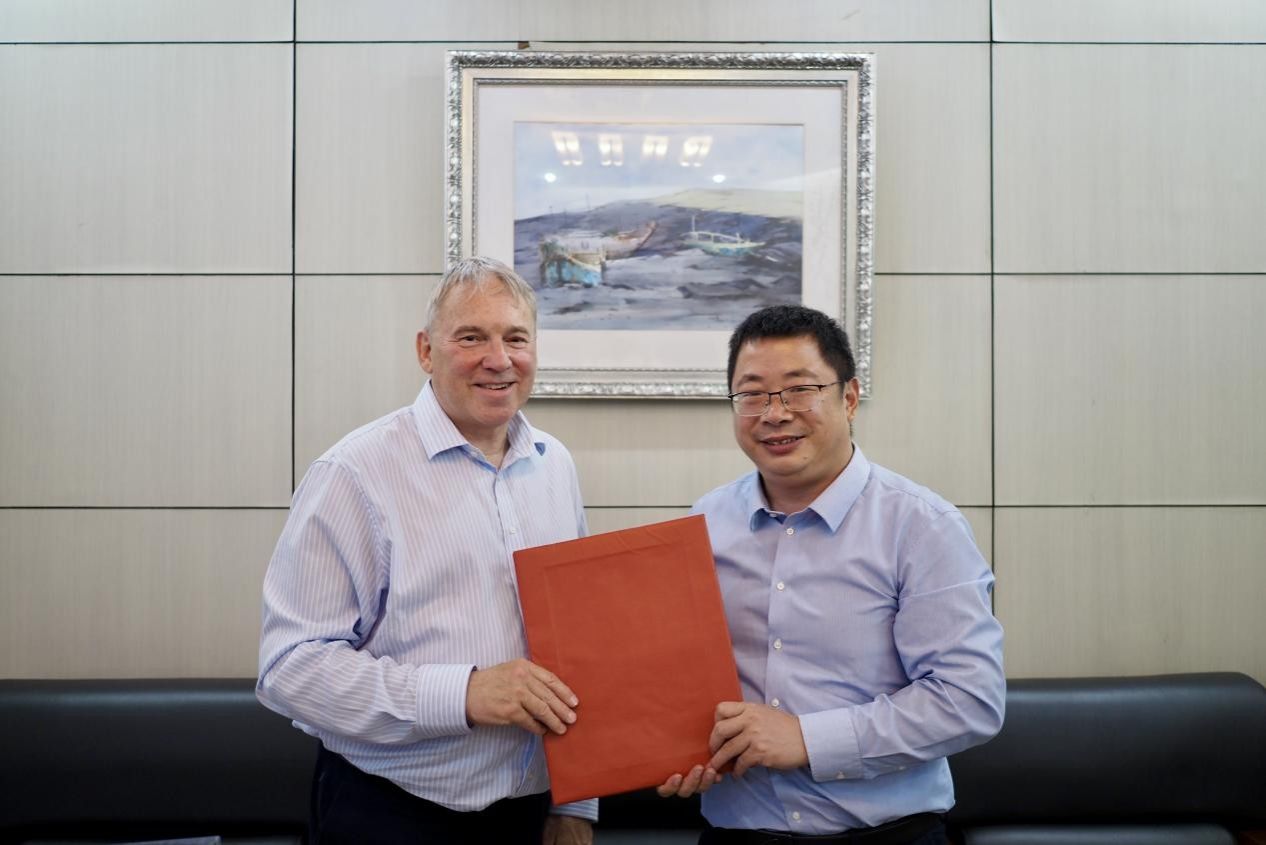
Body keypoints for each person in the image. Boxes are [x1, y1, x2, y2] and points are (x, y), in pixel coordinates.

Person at [257, 257, 594, 845]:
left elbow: (581, 644)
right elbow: (291, 668)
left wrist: (577, 803)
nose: (499, 359)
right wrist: (463, 694)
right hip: (391, 813)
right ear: (425, 351)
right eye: (472, 337)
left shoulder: (554, 465)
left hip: (530, 811)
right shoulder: (353, 473)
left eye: (516, 338)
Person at [658, 305, 1005, 845]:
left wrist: (808, 739)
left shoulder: (922, 525)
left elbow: (968, 699)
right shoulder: (703, 521)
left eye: (800, 390)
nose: (774, 413)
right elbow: (673, 673)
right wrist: (673, 748)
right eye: (752, 394)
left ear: (849, 398)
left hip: (889, 836)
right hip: (738, 833)